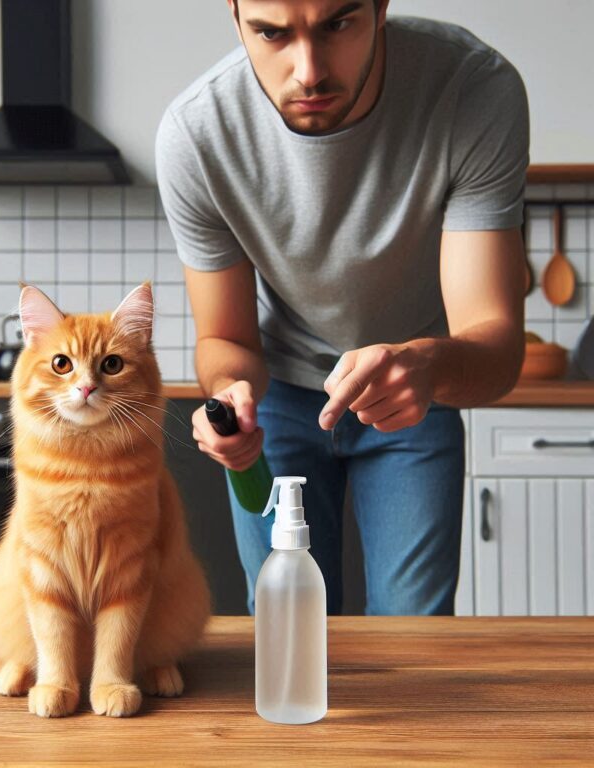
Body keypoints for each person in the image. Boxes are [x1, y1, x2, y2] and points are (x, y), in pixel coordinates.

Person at [155, 0, 528, 616]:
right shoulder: (198, 136)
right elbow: (225, 340)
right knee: (285, 623)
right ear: (235, 14)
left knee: (416, 632)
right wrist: (230, 399)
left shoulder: (472, 90)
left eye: (337, 24)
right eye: (271, 33)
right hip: (277, 400)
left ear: (381, 6)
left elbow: (496, 346)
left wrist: (428, 366)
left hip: (417, 386)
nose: (308, 71)